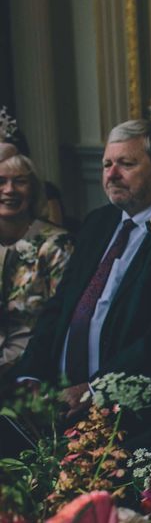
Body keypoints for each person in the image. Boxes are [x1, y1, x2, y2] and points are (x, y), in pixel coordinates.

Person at [10, 120, 151, 435]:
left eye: (126, 164)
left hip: (134, 413)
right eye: (106, 164)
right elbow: (61, 305)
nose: (111, 174)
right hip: (60, 404)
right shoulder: (98, 223)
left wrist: (97, 389)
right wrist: (30, 376)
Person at [0, 153, 73, 377]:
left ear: (33, 189)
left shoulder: (56, 244)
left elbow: (62, 321)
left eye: (20, 181)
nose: (10, 189)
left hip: (30, 370)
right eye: (1, 181)